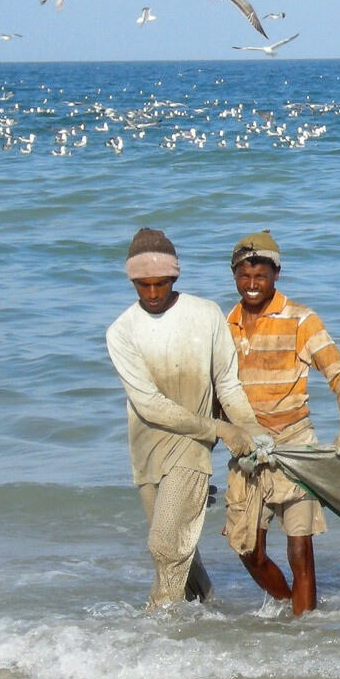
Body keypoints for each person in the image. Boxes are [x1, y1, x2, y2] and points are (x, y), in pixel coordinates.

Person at [106, 227, 269, 610]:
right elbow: (149, 405)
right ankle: (209, 612)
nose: (152, 293)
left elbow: (227, 384)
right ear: (131, 281)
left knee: (165, 544)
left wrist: (249, 430)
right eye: (143, 285)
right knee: (179, 549)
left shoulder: (205, 314)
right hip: (146, 450)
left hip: (192, 448)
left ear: (174, 277)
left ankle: (156, 624)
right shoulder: (121, 332)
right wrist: (222, 428)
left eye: (161, 283)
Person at [222, 230, 340, 616]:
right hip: (248, 451)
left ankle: (305, 629)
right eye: (244, 276)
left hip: (296, 447)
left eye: (261, 276)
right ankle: (288, 609)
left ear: (276, 275)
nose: (252, 284)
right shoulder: (223, 325)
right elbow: (215, 393)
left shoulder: (301, 320)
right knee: (249, 551)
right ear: (234, 275)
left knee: (300, 550)